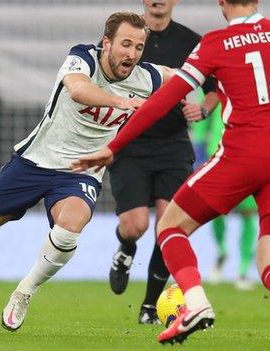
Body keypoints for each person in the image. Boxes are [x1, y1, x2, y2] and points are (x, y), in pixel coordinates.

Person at [0, 12, 176, 332]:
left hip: (79, 173)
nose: (132, 54)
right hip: (32, 163)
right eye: (125, 44)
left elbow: (186, 77)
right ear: (106, 43)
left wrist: (206, 90)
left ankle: (24, 291)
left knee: (71, 227)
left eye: (139, 47)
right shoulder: (82, 58)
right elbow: (79, 90)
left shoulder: (147, 78)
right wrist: (122, 103)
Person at [72, 0, 270, 346]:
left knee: (170, 225)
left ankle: (196, 304)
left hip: (242, 156)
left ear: (222, 3)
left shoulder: (215, 42)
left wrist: (113, 146)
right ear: (257, 1)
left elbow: (164, 99)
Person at [106, 0, 219, 325]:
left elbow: (213, 90)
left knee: (168, 226)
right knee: (135, 225)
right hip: (131, 143)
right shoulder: (127, 37)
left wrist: (204, 109)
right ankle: (125, 249)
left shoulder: (190, 42)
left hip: (172, 145)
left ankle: (149, 307)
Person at [200, 109, 258, 290]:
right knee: (214, 209)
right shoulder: (219, 85)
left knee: (248, 213)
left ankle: (242, 271)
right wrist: (199, 141)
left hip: (249, 156)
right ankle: (222, 250)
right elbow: (203, 110)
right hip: (218, 154)